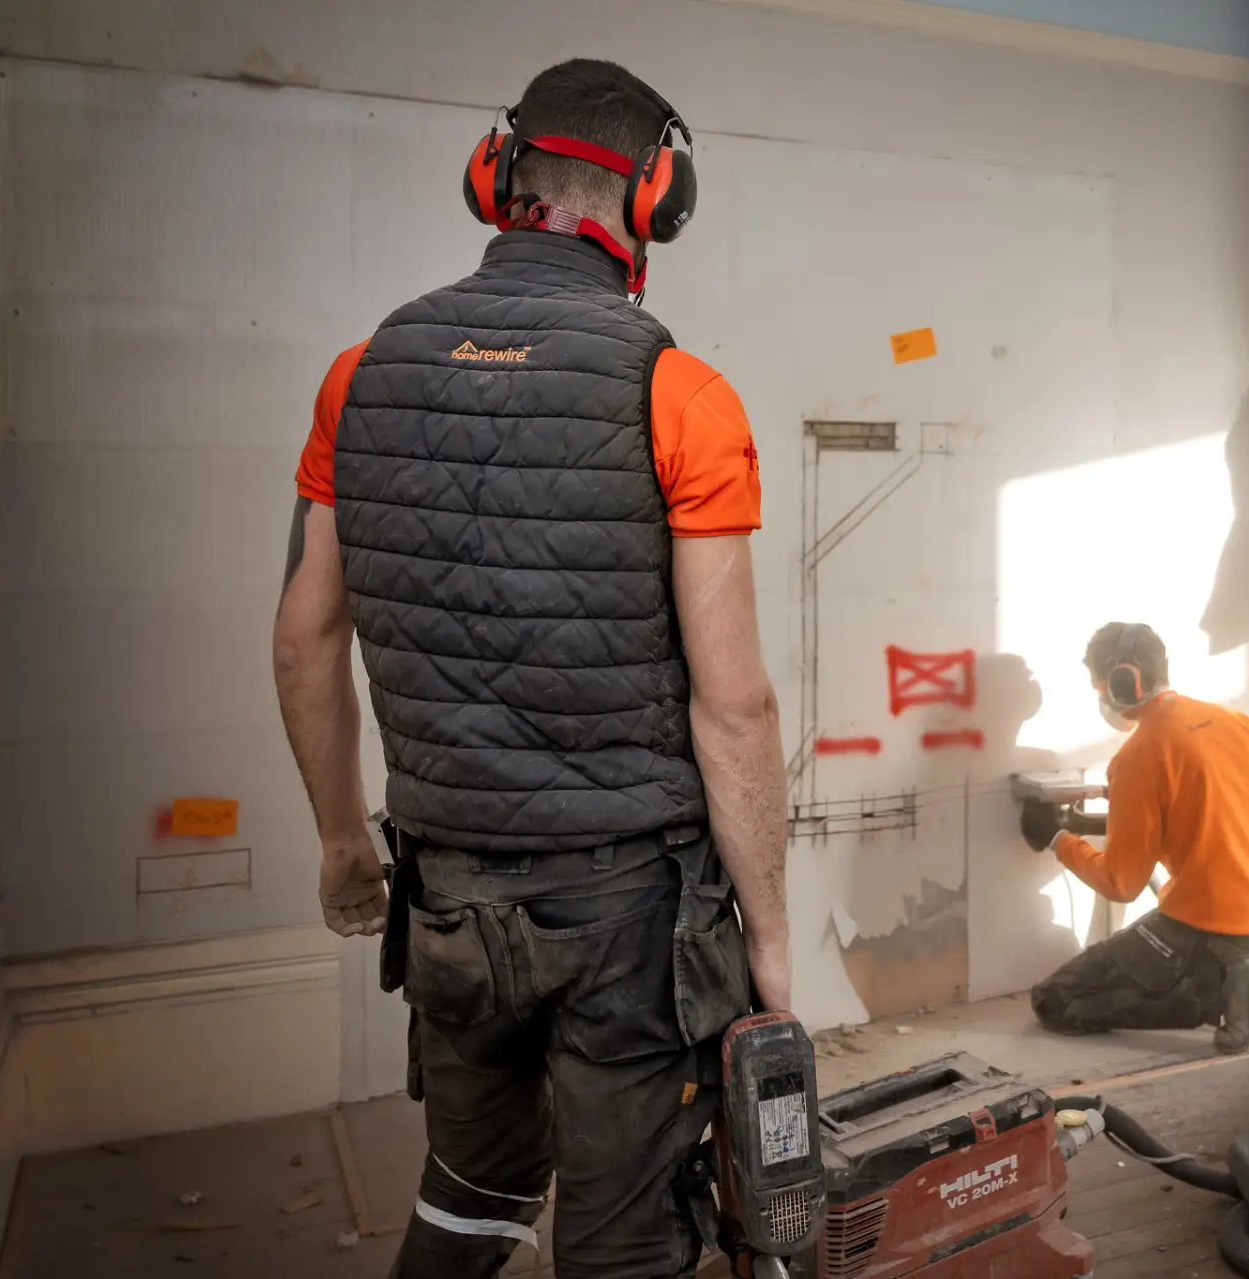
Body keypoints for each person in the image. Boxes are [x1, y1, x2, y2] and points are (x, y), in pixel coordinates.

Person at [271, 58, 787, 1279]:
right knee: (621, 1244)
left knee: (470, 1193)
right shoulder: (681, 394)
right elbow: (735, 707)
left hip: (446, 889)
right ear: (658, 194)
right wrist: (766, 936)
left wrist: (346, 845)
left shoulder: (359, 375)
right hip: (629, 917)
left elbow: (304, 639)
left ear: (496, 179)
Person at [1018, 623, 1249, 1055]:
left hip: (1201, 931)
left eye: (1098, 685)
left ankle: (1220, 995)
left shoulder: (1140, 754)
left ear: (1120, 681)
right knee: (1150, 959)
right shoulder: (1236, 723)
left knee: (1055, 1001)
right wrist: (1091, 826)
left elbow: (1121, 884)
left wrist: (1057, 838)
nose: (1100, 696)